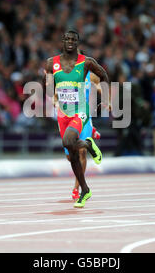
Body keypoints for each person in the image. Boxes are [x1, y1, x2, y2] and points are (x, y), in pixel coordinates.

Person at [44, 30, 109, 208]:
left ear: (78, 43)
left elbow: (100, 81)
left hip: (81, 111)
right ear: (62, 42)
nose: (70, 42)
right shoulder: (52, 64)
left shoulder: (86, 66)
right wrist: (52, 91)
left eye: (73, 39)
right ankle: (85, 186)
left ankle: (79, 185)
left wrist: (106, 100)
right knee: (69, 151)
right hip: (63, 113)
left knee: (78, 151)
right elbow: (50, 89)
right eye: (67, 39)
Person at [62, 69, 102, 201]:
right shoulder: (63, 75)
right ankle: (92, 133)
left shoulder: (90, 75)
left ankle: (77, 188)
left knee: (82, 152)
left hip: (83, 115)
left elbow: (101, 83)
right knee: (70, 156)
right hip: (67, 117)